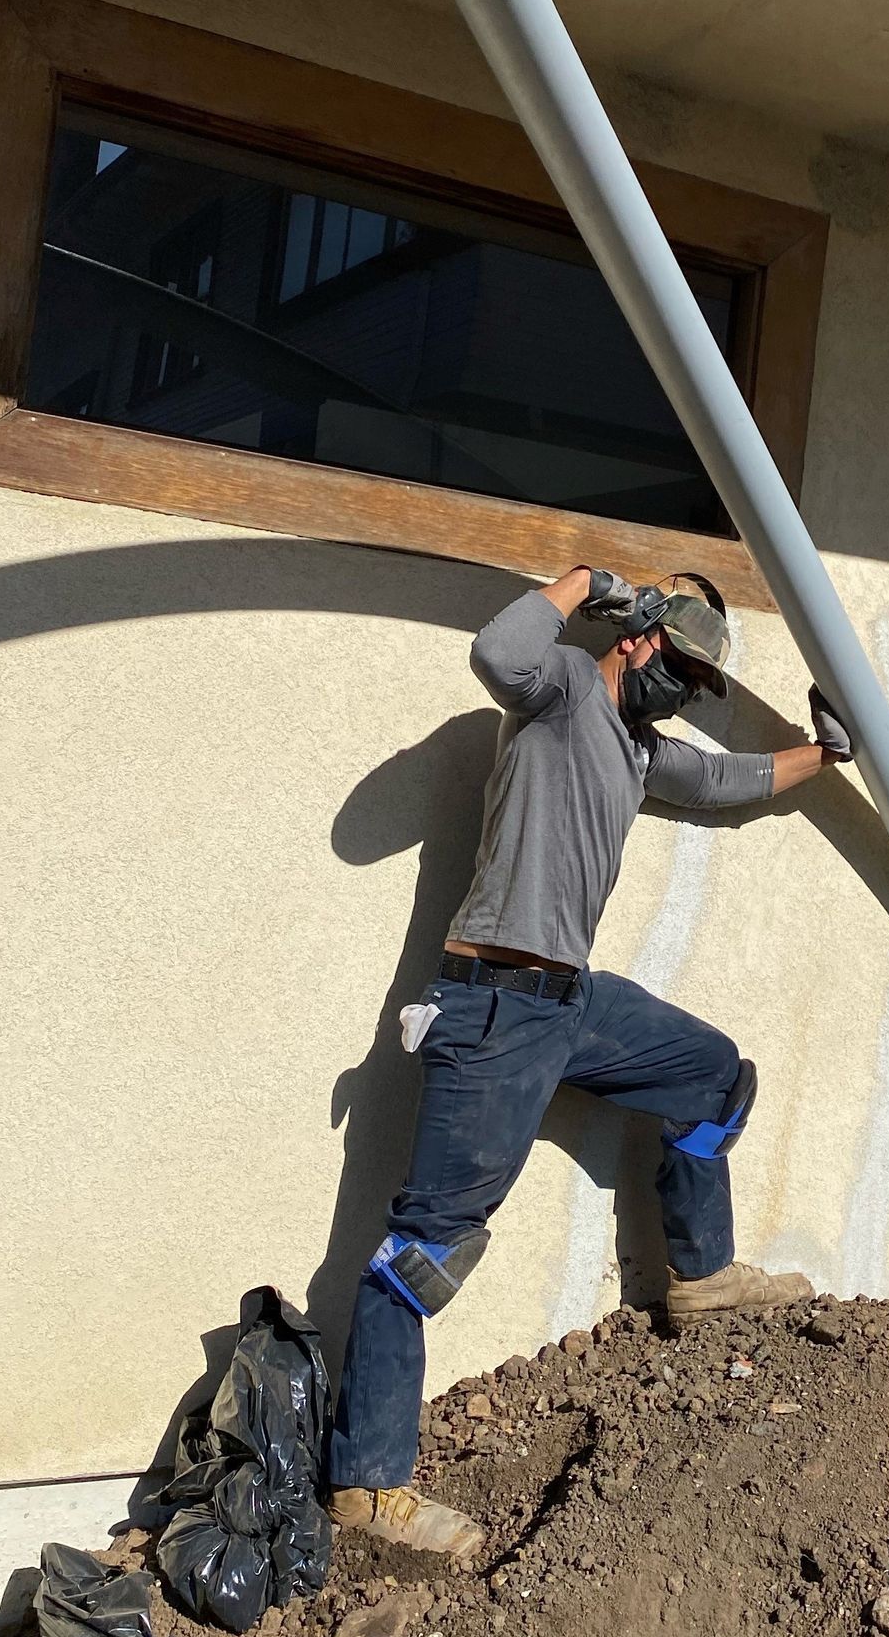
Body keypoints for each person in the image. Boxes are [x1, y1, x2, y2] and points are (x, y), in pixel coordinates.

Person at [328, 563, 855, 1562]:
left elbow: (732, 781)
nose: (686, 691)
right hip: (491, 1008)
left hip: (570, 999)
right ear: (640, 635)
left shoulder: (641, 753)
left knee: (711, 1076)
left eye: (701, 686)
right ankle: (369, 1483)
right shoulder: (563, 689)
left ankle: (697, 1276)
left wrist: (825, 755)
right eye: (682, 666)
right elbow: (497, 651)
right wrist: (583, 582)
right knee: (428, 1249)